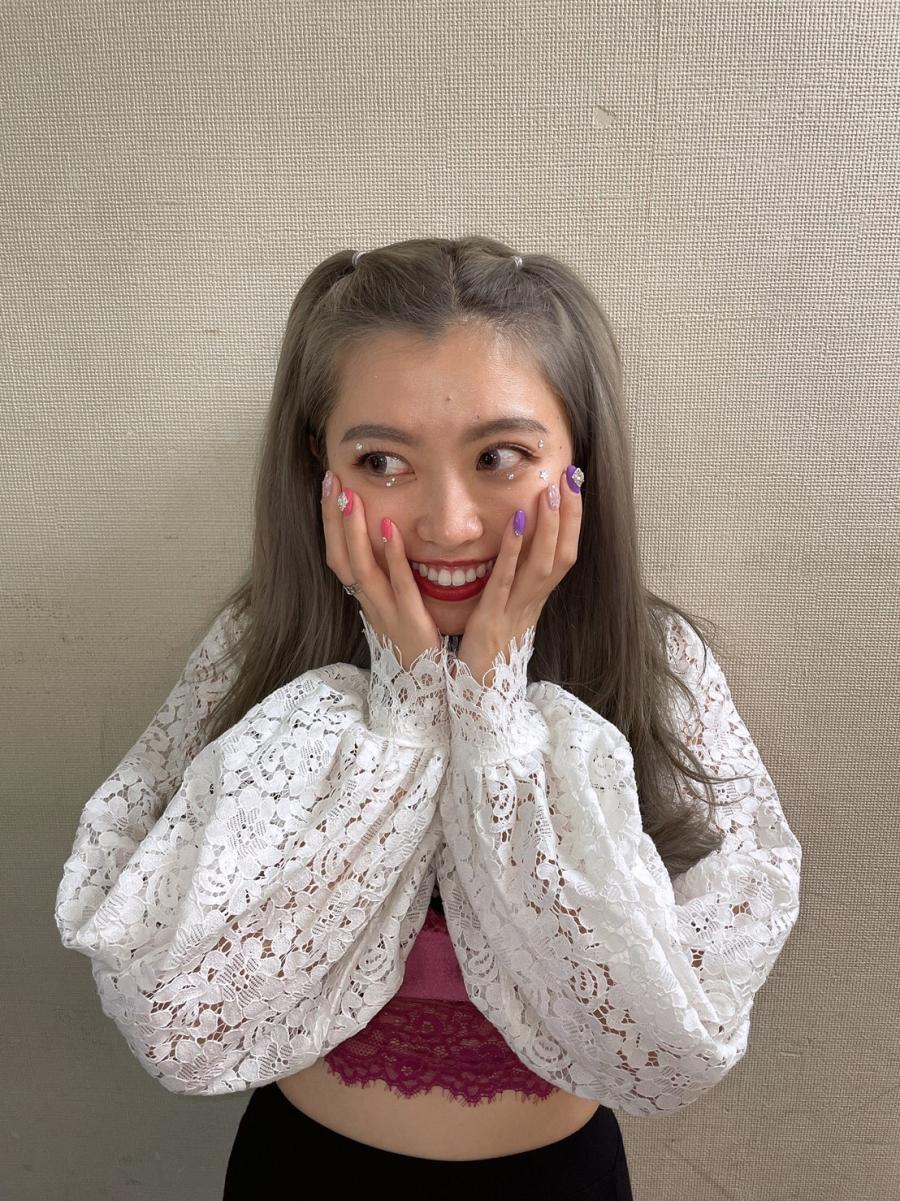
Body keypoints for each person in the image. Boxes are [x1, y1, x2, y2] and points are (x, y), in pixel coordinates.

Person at [54, 236, 802, 1200]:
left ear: (578, 458)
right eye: (383, 461)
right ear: (319, 464)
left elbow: (670, 1044)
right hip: (303, 1171)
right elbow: (177, 1020)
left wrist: (494, 708)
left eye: (501, 456)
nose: (449, 524)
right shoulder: (258, 649)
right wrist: (403, 710)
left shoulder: (656, 664)